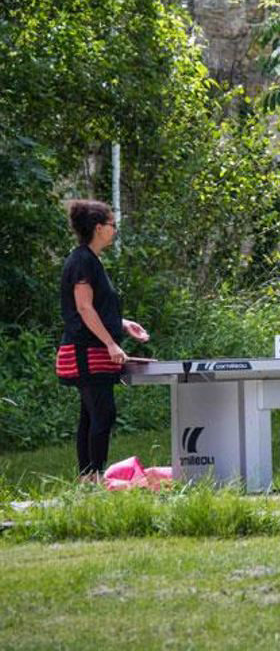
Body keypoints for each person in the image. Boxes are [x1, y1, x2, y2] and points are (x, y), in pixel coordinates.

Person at [55, 200, 150, 481]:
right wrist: (111, 343)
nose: (115, 229)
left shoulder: (91, 260)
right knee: (103, 413)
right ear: (98, 228)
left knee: (92, 413)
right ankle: (94, 475)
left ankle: (88, 477)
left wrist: (123, 324)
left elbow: (95, 308)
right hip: (85, 350)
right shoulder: (82, 260)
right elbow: (83, 308)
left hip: (94, 349)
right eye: (112, 224)